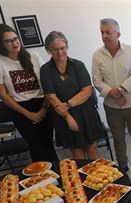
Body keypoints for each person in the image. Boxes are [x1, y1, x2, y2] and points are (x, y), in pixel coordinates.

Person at [0, 24, 58, 162]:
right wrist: (28, 114)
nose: (14, 43)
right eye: (8, 41)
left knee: (49, 144)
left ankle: (57, 177)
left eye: (15, 39)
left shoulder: (33, 56)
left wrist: (43, 108)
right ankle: (41, 180)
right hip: (20, 109)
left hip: (42, 103)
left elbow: (47, 82)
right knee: (36, 147)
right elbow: (2, 94)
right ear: (0, 43)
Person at [92, 18, 131, 176]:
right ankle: (123, 165)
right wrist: (114, 94)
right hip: (112, 106)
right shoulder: (97, 55)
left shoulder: (130, 51)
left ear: (118, 34)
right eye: (102, 32)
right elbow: (96, 80)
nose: (104, 35)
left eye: (107, 32)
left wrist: (121, 89)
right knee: (118, 138)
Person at [40, 31, 103, 160]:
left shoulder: (78, 65)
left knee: (92, 148)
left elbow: (87, 91)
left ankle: (97, 178)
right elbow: (51, 97)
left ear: (67, 47)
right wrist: (68, 116)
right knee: (77, 152)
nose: (60, 52)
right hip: (63, 116)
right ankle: (81, 179)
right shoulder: (45, 70)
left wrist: (67, 105)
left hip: (85, 112)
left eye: (62, 48)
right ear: (49, 50)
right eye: (55, 49)